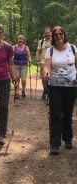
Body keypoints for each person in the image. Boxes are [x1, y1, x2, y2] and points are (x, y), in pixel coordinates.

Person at [44, 26, 77, 155]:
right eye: (56, 34)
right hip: (54, 86)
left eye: (60, 33)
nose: (58, 35)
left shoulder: (73, 48)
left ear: (64, 34)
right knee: (56, 114)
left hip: (71, 85)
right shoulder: (50, 51)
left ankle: (68, 138)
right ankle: (54, 143)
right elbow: (47, 66)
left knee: (68, 114)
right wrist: (46, 73)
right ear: (53, 37)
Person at [13, 35, 31, 99]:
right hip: (15, 65)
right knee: (16, 79)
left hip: (24, 65)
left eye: (21, 39)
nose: (20, 40)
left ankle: (23, 89)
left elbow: (29, 56)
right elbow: (11, 55)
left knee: (23, 80)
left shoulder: (26, 47)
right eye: (19, 39)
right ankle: (17, 92)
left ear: (23, 40)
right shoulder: (13, 47)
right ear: (17, 40)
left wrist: (29, 60)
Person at [36, 27, 52, 100]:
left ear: (51, 33)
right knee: (43, 78)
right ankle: (45, 90)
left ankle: (49, 92)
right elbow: (38, 51)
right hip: (43, 62)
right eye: (46, 33)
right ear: (44, 34)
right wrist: (37, 60)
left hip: (52, 62)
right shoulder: (41, 41)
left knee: (50, 78)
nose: (47, 34)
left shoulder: (54, 40)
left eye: (48, 33)